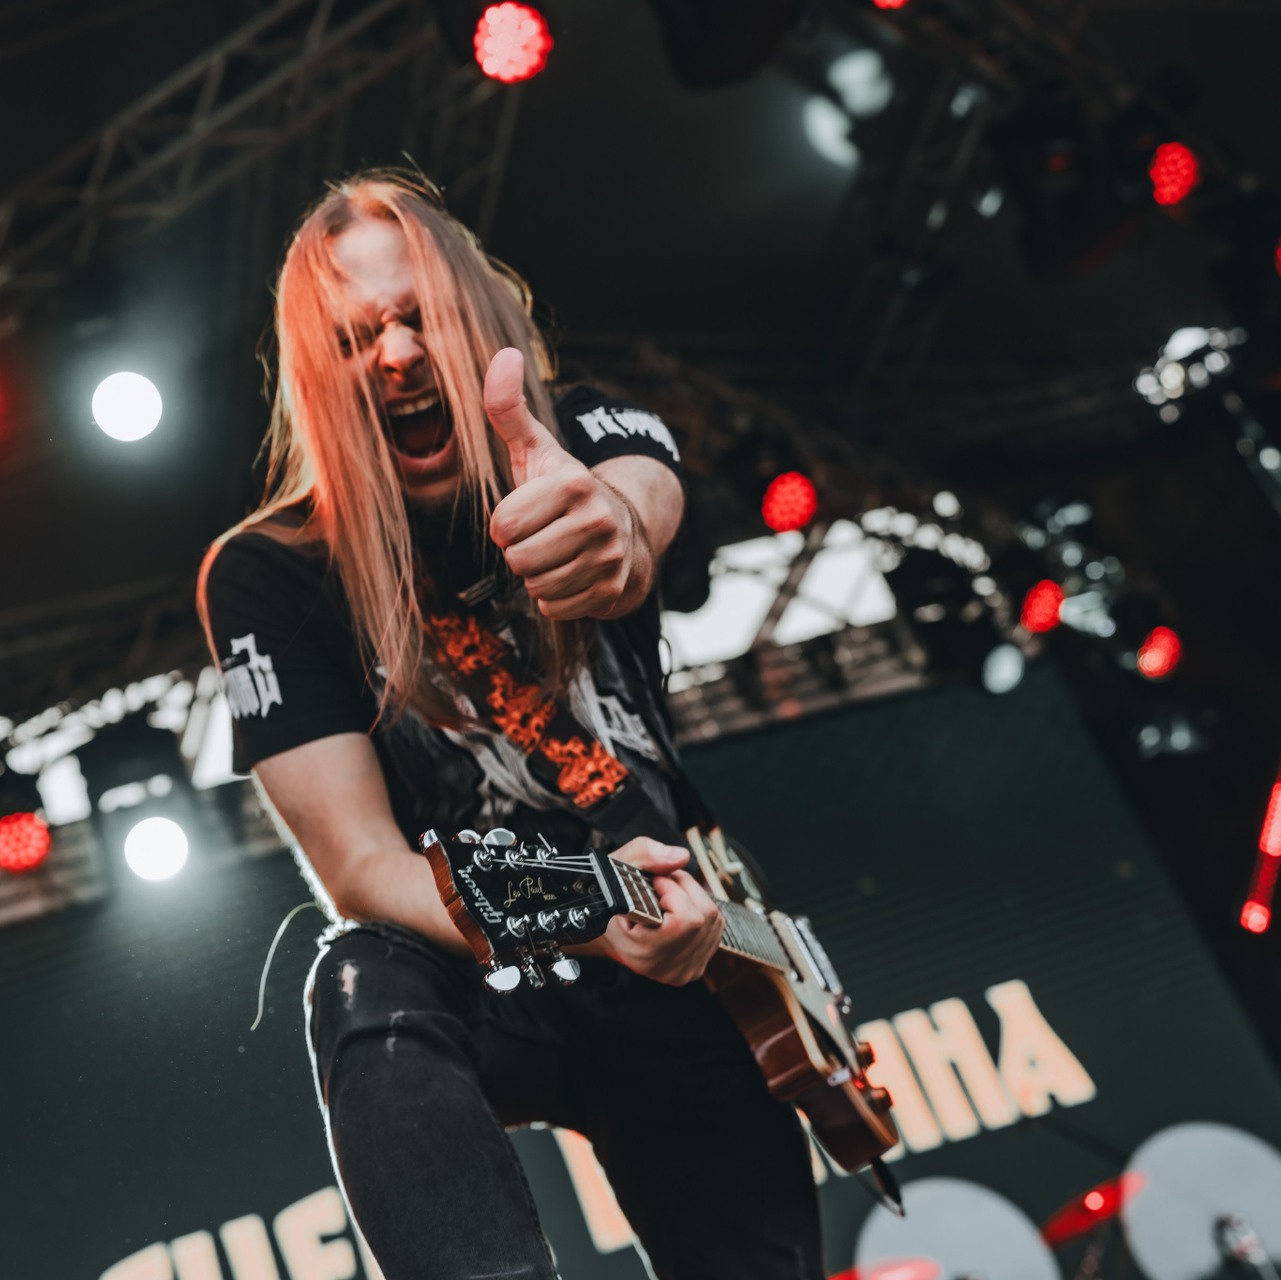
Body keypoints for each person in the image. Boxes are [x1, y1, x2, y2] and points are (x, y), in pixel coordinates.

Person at [199, 171, 822, 1280]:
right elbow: (359, 865)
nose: (396, 355)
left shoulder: (578, 432)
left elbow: (638, 494)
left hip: (685, 953)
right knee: (361, 974)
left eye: (418, 316)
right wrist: (584, 918)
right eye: (354, 338)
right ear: (317, 378)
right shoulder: (271, 574)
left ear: (477, 318)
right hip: (485, 960)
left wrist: (614, 529)